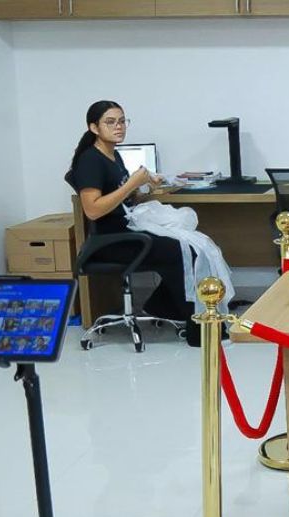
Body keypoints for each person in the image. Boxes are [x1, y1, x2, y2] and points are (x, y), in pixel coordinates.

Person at [65, 100, 203, 343]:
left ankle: (165, 308)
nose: (118, 127)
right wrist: (132, 183)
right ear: (94, 128)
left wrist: (148, 187)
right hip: (111, 241)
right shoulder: (91, 160)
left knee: (190, 246)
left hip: (126, 230)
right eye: (110, 122)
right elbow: (93, 210)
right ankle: (195, 329)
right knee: (177, 252)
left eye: (122, 121)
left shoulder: (112, 155)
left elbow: (123, 199)